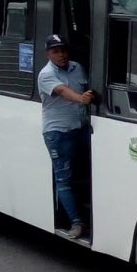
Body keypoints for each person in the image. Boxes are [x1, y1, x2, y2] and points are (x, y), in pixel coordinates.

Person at [38, 34, 94, 238]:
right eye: (56, 51)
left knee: (87, 173)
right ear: (48, 54)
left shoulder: (77, 68)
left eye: (63, 50)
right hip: (58, 133)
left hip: (81, 128)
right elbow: (63, 91)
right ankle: (76, 224)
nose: (61, 55)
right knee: (64, 179)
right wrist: (81, 98)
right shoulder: (46, 74)